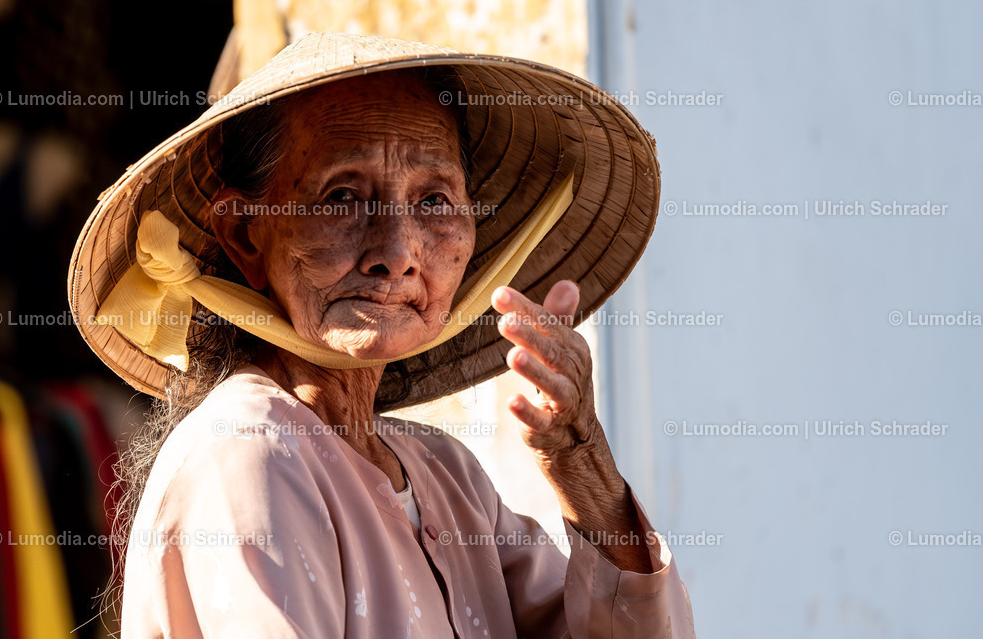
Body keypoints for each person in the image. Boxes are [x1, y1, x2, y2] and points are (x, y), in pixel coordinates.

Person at [68, 32, 695, 638]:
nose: (396, 252)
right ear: (246, 234)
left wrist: (578, 459)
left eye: (433, 201)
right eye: (342, 196)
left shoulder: (446, 476)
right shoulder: (248, 453)